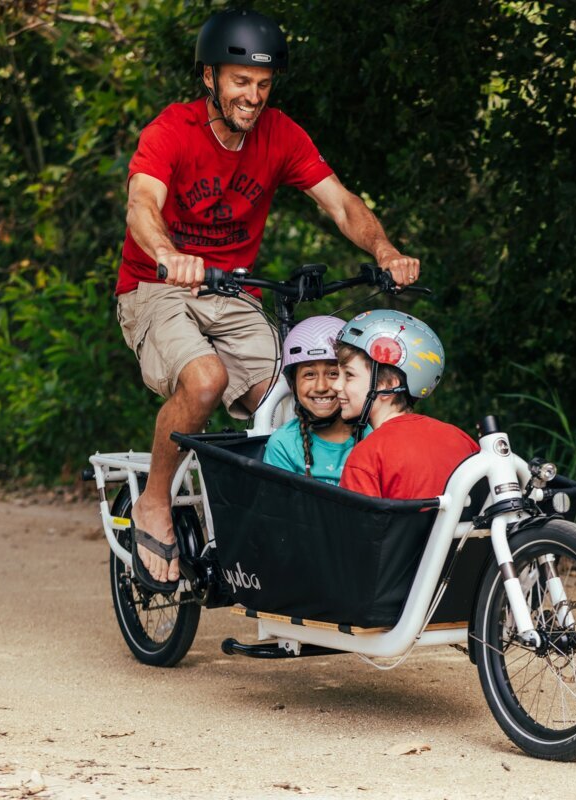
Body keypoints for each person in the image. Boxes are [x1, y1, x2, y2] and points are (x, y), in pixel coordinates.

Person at [117, 9, 421, 592]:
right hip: (157, 285)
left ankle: (269, 534)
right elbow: (142, 206)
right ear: (209, 77)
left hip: (231, 291)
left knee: (290, 399)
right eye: (239, 81)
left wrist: (383, 249)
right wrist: (166, 253)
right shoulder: (171, 131)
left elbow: (340, 202)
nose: (252, 96)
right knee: (204, 380)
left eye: (262, 84)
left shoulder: (280, 134)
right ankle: (155, 503)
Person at [333, 309, 478, 499]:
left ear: (388, 385)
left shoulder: (367, 456)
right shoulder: (460, 439)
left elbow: (354, 527)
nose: (335, 385)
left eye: (349, 375)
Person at [263, 316, 364, 484]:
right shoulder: (283, 445)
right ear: (293, 384)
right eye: (309, 374)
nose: (321, 387)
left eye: (333, 373)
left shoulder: (374, 435)